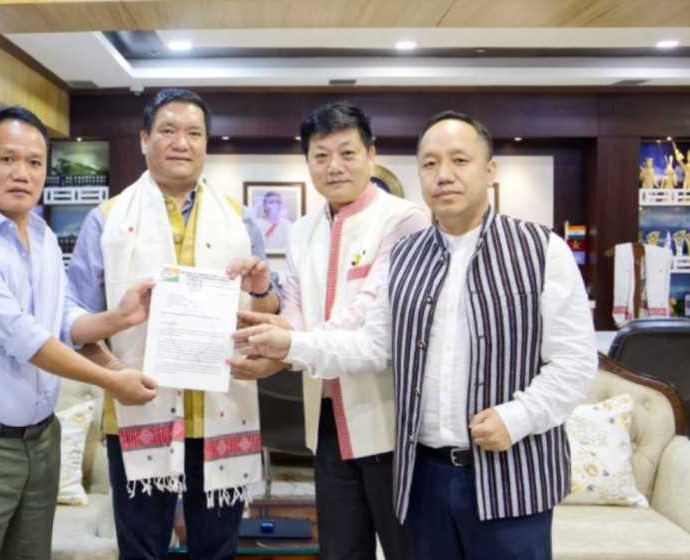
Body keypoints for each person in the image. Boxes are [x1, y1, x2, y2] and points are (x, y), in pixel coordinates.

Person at [237, 110, 597, 560]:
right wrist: (288, 342)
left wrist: (518, 416)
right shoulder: (409, 256)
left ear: (490, 170)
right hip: (422, 472)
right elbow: (373, 344)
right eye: (429, 164)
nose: (443, 175)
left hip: (509, 472)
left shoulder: (540, 250)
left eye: (459, 161)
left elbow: (576, 362)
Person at [0, 106, 159, 559]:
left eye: (34, 163)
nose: (22, 173)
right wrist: (113, 381)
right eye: (7, 159)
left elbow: (63, 320)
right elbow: (26, 338)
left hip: (40, 441)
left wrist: (120, 318)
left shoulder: (43, 235)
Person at [66, 88, 276, 560]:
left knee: (218, 550)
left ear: (206, 144)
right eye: (167, 130)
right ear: (143, 140)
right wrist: (112, 373)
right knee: (141, 550)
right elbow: (74, 317)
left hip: (222, 410)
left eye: (193, 133)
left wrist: (263, 291)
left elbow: (269, 316)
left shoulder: (242, 221)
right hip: (139, 407)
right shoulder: (107, 220)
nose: (181, 142)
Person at [229, 101, 429, 560]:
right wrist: (266, 321)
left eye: (347, 153)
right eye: (320, 156)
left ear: (371, 154)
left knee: (407, 549)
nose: (333, 167)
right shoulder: (303, 230)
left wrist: (286, 347)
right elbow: (297, 308)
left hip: (390, 425)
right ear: (308, 162)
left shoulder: (405, 221)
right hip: (326, 424)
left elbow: (366, 319)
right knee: (340, 550)